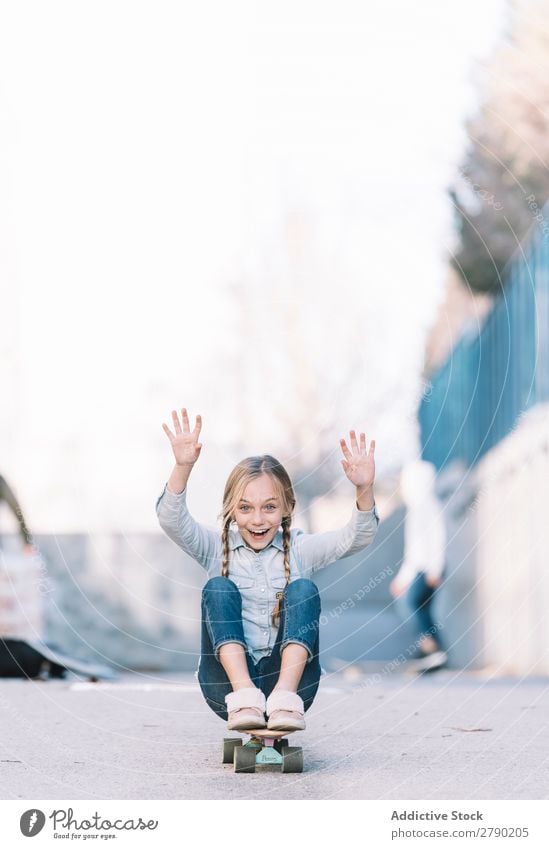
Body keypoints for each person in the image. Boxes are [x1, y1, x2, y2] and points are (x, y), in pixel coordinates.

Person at [156, 407, 379, 732]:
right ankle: (245, 694)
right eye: (245, 508)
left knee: (303, 589)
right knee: (218, 588)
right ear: (231, 509)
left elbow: (356, 538)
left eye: (269, 507)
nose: (257, 520)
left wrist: (364, 488)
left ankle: (283, 700)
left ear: (287, 507)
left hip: (293, 687)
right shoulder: (216, 547)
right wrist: (182, 466)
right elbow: (171, 520)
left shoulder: (300, 549)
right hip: (226, 688)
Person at [389, 459, 448, 671]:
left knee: (412, 605)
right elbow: (413, 550)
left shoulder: (426, 505)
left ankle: (432, 649)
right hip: (422, 567)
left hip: (427, 568)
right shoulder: (417, 506)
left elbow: (438, 537)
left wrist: (435, 568)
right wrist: (403, 577)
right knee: (423, 610)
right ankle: (433, 653)